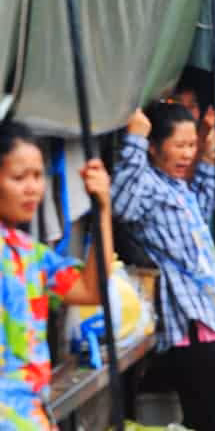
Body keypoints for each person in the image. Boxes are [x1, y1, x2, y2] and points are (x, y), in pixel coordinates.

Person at [112, 104, 215, 430]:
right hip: (191, 326)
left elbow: (204, 204)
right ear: (154, 147)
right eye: (179, 146)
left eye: (190, 145)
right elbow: (121, 204)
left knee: (209, 416)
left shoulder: (176, 186)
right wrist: (135, 141)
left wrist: (208, 158)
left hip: (212, 317)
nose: (186, 155)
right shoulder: (145, 184)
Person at [0, 122, 115, 430]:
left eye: (38, 176)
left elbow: (92, 290)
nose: (32, 188)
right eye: (19, 177)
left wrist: (102, 210)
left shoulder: (29, 254)